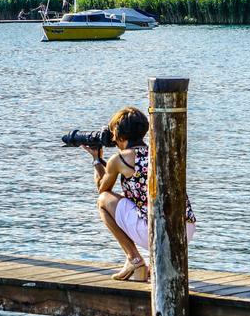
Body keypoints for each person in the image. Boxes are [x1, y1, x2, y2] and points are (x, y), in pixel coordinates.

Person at [83, 106, 196, 281]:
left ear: (119, 135)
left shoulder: (120, 159)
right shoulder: (158, 152)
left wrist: (97, 159)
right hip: (185, 230)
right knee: (148, 205)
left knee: (103, 201)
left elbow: (103, 189)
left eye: (113, 134)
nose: (113, 139)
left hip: (157, 233)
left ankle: (134, 259)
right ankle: (157, 263)